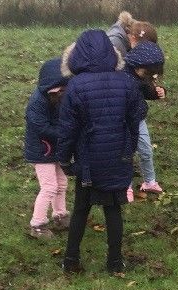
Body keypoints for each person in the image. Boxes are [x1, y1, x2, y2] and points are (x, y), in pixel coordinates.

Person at [57, 29, 148, 274]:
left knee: (81, 208)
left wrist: (64, 159)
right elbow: (136, 118)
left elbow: (67, 128)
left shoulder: (75, 86)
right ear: (111, 53)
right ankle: (115, 262)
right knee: (113, 208)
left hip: (88, 161)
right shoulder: (126, 82)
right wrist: (129, 148)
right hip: (117, 157)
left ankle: (71, 260)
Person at [106, 13, 164, 199]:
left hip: (138, 118)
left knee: (146, 150)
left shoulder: (140, 72)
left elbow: (145, 90)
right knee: (125, 153)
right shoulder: (120, 58)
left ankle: (150, 181)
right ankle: (126, 185)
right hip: (122, 120)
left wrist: (156, 92)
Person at [24, 57, 69, 237]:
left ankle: (60, 214)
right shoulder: (37, 103)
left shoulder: (59, 99)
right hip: (42, 151)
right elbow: (41, 128)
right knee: (49, 186)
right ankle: (37, 224)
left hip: (56, 148)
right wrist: (65, 133)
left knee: (62, 183)